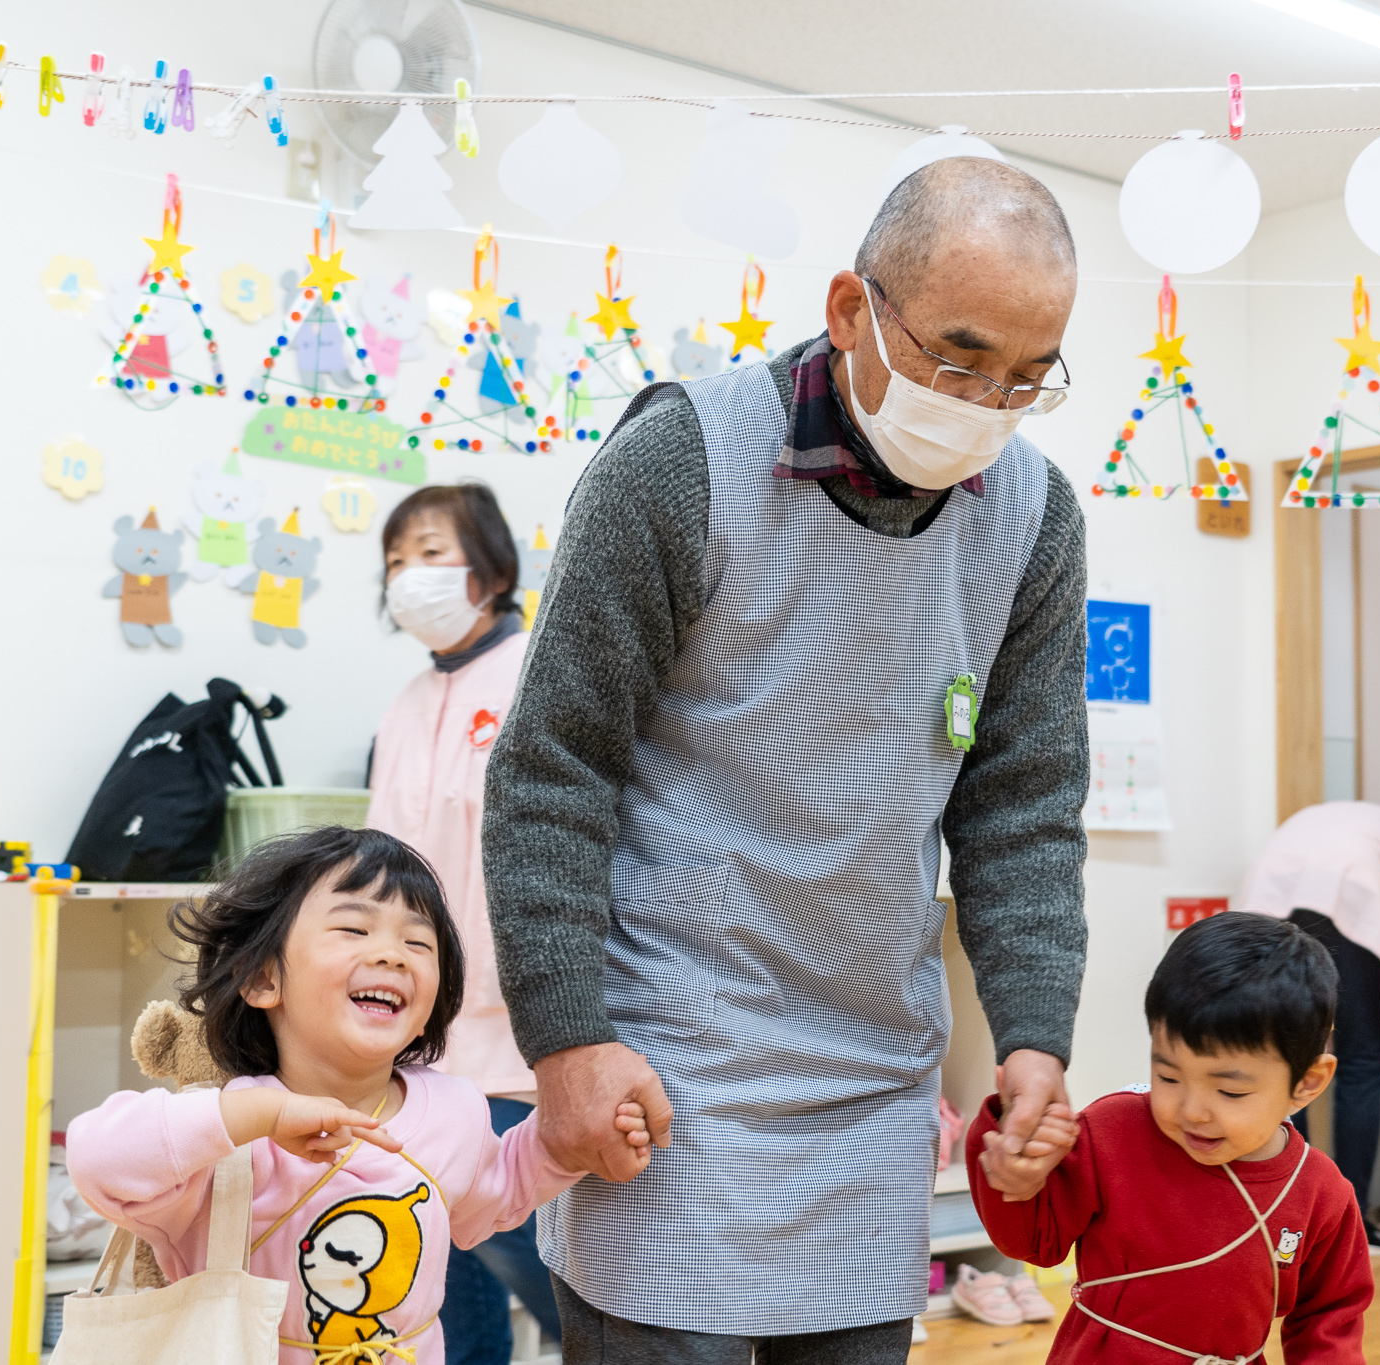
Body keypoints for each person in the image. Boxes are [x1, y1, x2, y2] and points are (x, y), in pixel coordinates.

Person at [485, 156, 1091, 1359]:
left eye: (1027, 378)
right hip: (662, 1063)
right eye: (959, 359)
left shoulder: (1032, 518)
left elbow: (1021, 807)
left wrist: (1033, 1036)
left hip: (870, 1081)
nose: (986, 404)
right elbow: (552, 770)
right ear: (850, 309)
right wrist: (563, 1039)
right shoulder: (680, 463)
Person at [64, 826, 651, 1365]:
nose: (392, 953)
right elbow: (98, 1161)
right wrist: (260, 1115)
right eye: (353, 929)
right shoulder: (229, 1128)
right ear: (264, 979)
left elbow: (496, 1192)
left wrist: (569, 1145)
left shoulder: (453, 1111)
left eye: (419, 944)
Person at [967, 912, 1373, 1363]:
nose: (1192, 1111)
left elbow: (1331, 1316)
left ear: (1309, 1082)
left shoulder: (1321, 1191)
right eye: (1168, 1076)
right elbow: (1035, 1246)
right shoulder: (1111, 1132)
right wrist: (1018, 1183)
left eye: (1230, 1090)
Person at [364, 483, 564, 1359]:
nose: (410, 576)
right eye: (397, 560)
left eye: (431, 552)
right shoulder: (406, 701)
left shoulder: (534, 669)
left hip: (515, 1016)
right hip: (419, 1015)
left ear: (488, 566)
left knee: (519, 1228)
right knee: (442, 1244)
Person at [1234, 800, 1380, 1250]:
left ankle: (1285, 1220)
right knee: (1361, 1064)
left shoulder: (1356, 819)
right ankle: (1350, 1226)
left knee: (1288, 1061)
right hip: (1352, 896)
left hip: (1266, 905)